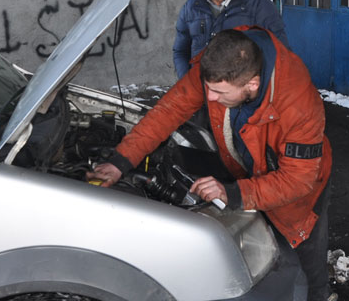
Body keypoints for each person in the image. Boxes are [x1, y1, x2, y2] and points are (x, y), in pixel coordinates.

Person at [88, 27, 333, 301]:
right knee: (257, 250)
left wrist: (233, 193)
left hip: (300, 184)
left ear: (252, 84)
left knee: (301, 251)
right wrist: (122, 161)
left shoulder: (299, 104)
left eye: (218, 92)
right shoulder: (219, 64)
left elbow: (298, 180)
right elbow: (169, 111)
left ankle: (320, 295)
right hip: (246, 164)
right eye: (208, 90)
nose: (210, 98)